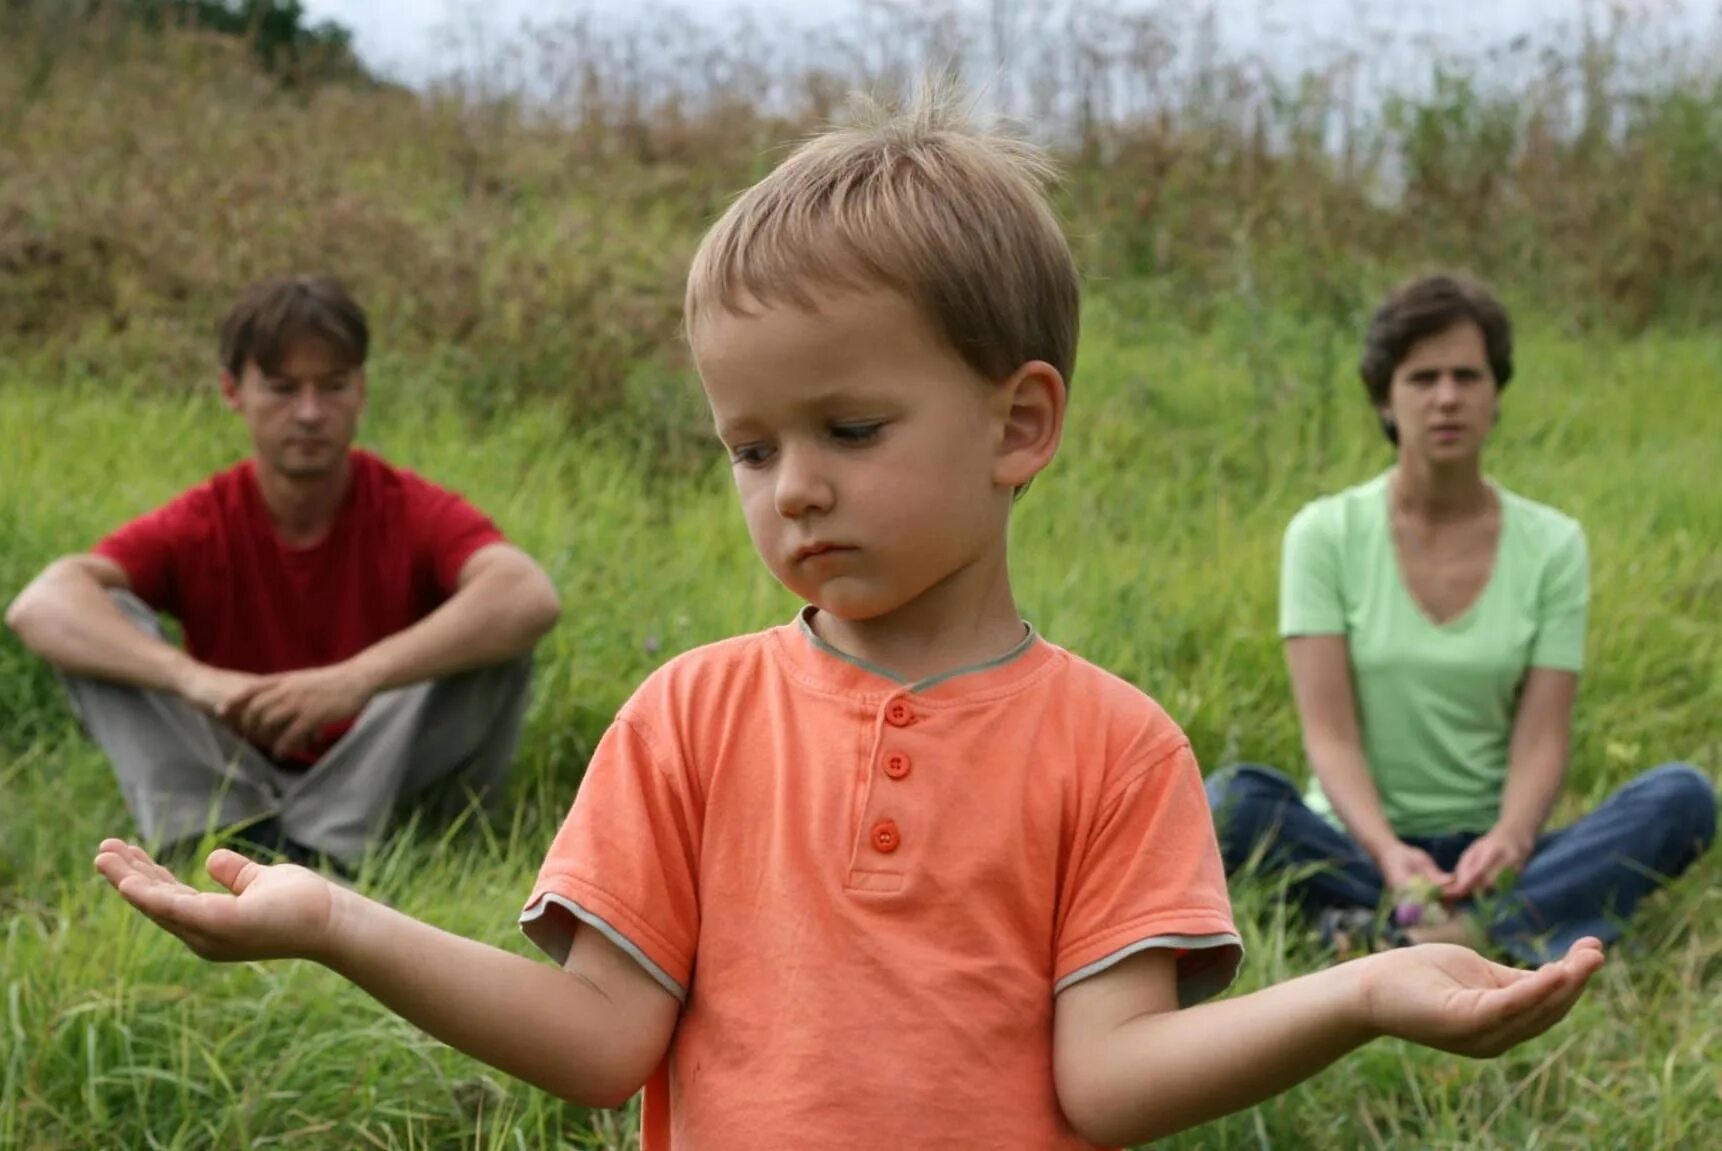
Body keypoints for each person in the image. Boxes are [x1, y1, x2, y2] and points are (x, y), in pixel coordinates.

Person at [93, 96, 1604, 1150]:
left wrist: (1362, 990)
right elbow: (602, 1039)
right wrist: (330, 918)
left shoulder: (1113, 744)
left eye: (850, 427)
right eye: (751, 448)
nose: (793, 490)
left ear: (1019, 421)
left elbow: (1114, 1081)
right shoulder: (689, 714)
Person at [1207, 273, 1716, 962]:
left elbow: (1542, 738)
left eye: (1467, 376)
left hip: (1491, 853)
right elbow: (1329, 735)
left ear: (1495, 394)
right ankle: (1473, 924)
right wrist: (1389, 851)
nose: (1447, 397)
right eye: (1422, 378)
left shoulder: (1552, 544)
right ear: (1386, 399)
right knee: (1231, 799)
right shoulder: (1323, 535)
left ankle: (1416, 929)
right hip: (1358, 841)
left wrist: (1508, 840)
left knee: (1682, 797)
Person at [9, 274, 561, 869]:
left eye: (333, 387)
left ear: (361, 391)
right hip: (233, 767)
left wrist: (354, 679)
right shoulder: (206, 518)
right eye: (281, 388)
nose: (308, 413)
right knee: (102, 615)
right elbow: (40, 604)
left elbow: (527, 593)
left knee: (495, 631)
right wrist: (198, 680)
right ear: (232, 391)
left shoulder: (407, 507)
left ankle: (333, 847)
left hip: (375, 772)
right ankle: (228, 833)